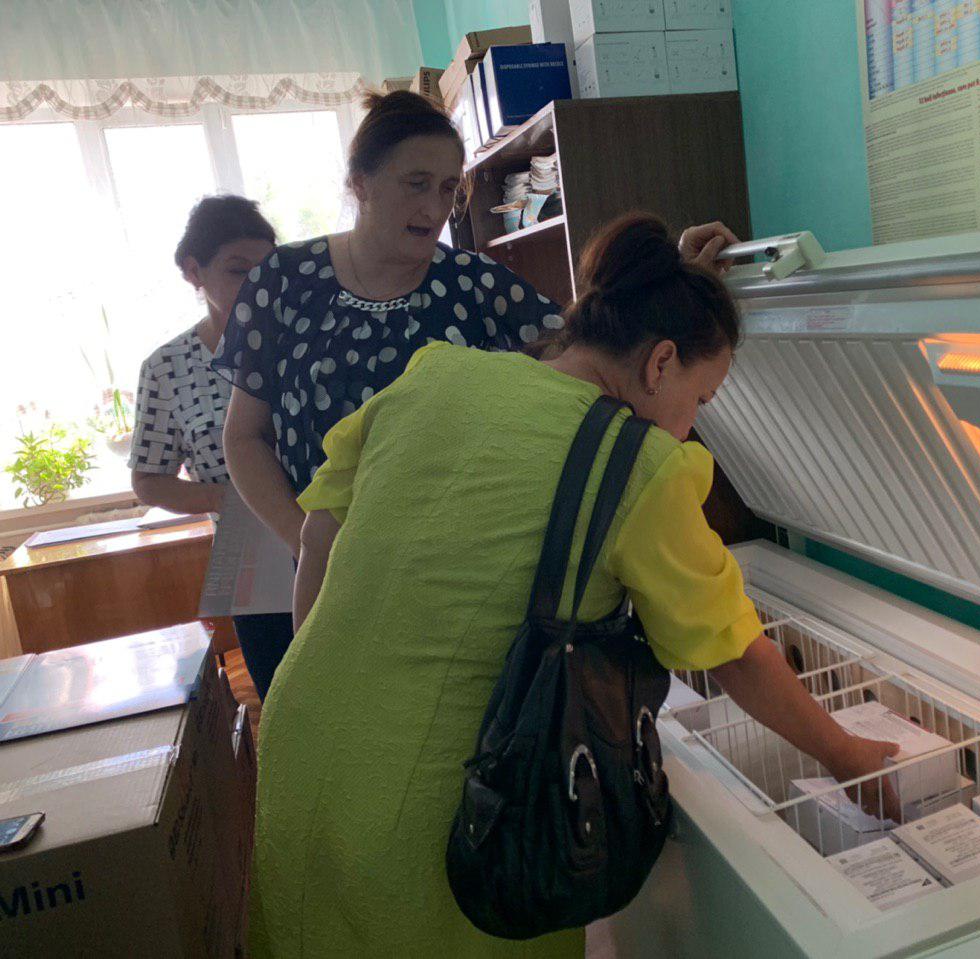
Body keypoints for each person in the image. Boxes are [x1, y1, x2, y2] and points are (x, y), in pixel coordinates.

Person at [249, 214, 901, 957]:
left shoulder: (438, 374)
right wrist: (845, 754)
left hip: (299, 738)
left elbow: (319, 536)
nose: (692, 424)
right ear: (660, 363)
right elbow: (732, 652)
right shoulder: (640, 465)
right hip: (431, 807)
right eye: (702, 398)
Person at [213, 90, 566, 697]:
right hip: (325, 573)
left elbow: (586, 348)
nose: (435, 207)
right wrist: (313, 545)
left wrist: (668, 273)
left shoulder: (475, 285)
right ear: (361, 183)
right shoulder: (283, 283)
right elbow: (244, 439)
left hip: (454, 582)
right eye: (416, 184)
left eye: (449, 188)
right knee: (337, 718)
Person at [129, 195, 293, 692]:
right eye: (238, 270)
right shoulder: (166, 367)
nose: (257, 285)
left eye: (267, 270)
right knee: (279, 692)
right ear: (193, 271)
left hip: (334, 527)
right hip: (248, 545)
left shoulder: (306, 339)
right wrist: (231, 498)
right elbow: (149, 481)